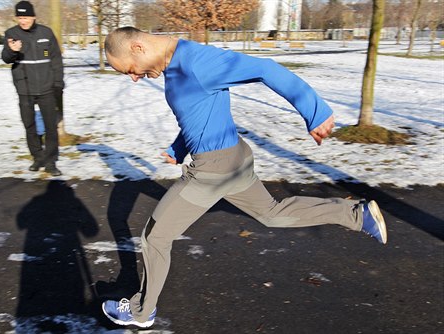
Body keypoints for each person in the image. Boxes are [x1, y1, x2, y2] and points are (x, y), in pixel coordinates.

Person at [100, 27, 388, 329]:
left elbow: (265, 69)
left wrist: (314, 111)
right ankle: (357, 215)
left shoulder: (196, 62)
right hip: (233, 157)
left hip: (213, 169)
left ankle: (142, 313)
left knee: (155, 237)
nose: (133, 78)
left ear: (138, 48)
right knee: (273, 214)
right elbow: (200, 111)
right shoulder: (177, 66)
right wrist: (179, 147)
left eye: (130, 70)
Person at [2, 0, 63, 176]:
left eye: (26, 17)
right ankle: (38, 158)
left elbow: (56, 61)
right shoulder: (11, 34)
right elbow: (5, 58)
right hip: (25, 90)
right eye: (20, 17)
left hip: (46, 90)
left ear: (34, 16)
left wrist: (58, 83)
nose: (23, 21)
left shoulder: (46, 33)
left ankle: (51, 162)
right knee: (29, 126)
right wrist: (12, 51)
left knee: (51, 127)